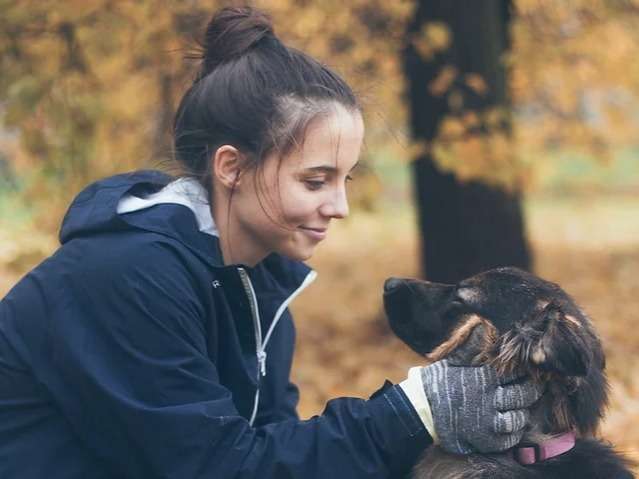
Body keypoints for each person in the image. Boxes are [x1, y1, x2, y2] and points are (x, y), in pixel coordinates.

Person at [0, 7, 542, 479]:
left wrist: (427, 427)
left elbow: (273, 455)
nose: (339, 206)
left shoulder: (258, 283)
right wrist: (413, 411)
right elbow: (215, 467)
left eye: (344, 180)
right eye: (315, 180)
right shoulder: (124, 274)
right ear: (231, 166)